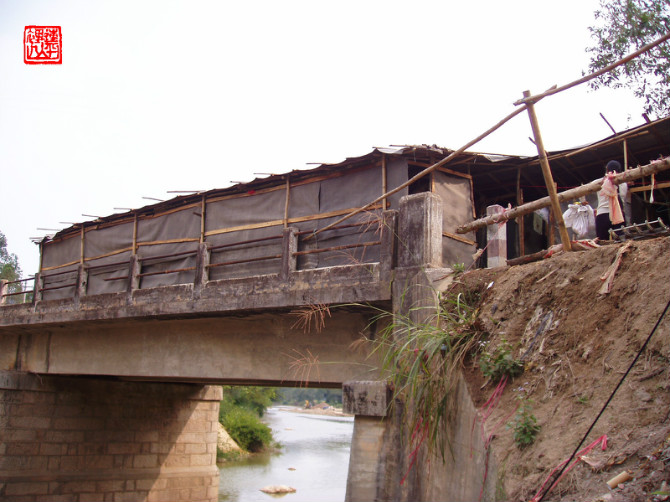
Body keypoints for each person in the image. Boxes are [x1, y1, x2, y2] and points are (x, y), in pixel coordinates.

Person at [595, 160, 625, 240]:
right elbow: (623, 196)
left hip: (602, 215)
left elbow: (583, 189)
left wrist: (583, 201)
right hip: (618, 215)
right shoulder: (622, 183)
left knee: (603, 243)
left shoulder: (598, 182)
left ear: (607, 169)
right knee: (620, 242)